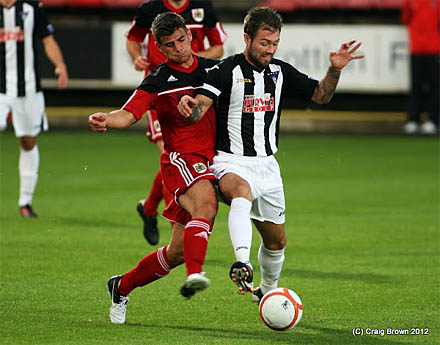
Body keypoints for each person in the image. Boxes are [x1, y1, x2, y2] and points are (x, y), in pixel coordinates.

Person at [178, 6, 364, 302]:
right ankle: (242, 262)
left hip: (267, 166)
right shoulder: (224, 70)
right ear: (247, 39)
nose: (270, 50)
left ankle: (266, 290)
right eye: (264, 43)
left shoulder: (280, 72)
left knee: (277, 241)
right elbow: (199, 108)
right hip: (230, 161)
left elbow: (321, 96)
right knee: (240, 192)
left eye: (275, 44)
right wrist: (190, 109)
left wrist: (335, 69)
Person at [89, 12, 219, 324]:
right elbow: (128, 113)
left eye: (181, 40)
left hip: (213, 161)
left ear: (189, 35)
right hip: (182, 161)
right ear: (159, 48)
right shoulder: (158, 80)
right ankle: (196, 273)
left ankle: (121, 286)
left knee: (174, 252)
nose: (179, 48)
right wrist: (107, 119)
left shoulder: (213, 69)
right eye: (170, 45)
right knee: (206, 205)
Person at [126, 0, 227, 245]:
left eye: (182, 40)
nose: (178, 46)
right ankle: (175, 228)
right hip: (162, 94)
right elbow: (132, 39)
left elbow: (219, 49)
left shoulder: (203, 6)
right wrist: (137, 56)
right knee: (171, 154)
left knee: (177, 159)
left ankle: (150, 208)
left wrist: (191, 62)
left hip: (197, 89)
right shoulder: (149, 9)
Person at [0, 0, 68, 217]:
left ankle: (25, 202)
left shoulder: (32, 7)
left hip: (28, 87)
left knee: (28, 141)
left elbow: (47, 40)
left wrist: (60, 65)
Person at [401, 0, 439, 135]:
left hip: (434, 49)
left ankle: (433, 121)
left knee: (435, 86)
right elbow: (406, 19)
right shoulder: (410, 1)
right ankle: (413, 120)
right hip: (416, 49)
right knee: (416, 86)